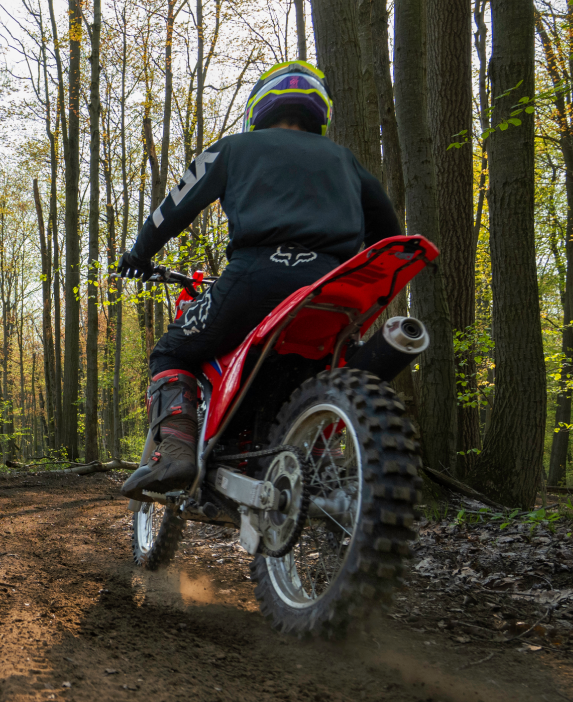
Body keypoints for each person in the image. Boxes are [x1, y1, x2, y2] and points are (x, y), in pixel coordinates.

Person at [116, 61, 402, 501]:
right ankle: (309, 453)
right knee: (311, 369)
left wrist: (138, 255)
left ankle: (175, 454)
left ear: (259, 107)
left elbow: (174, 207)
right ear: (320, 112)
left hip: (255, 276)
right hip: (332, 289)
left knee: (172, 350)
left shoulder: (234, 148)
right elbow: (389, 236)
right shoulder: (346, 161)